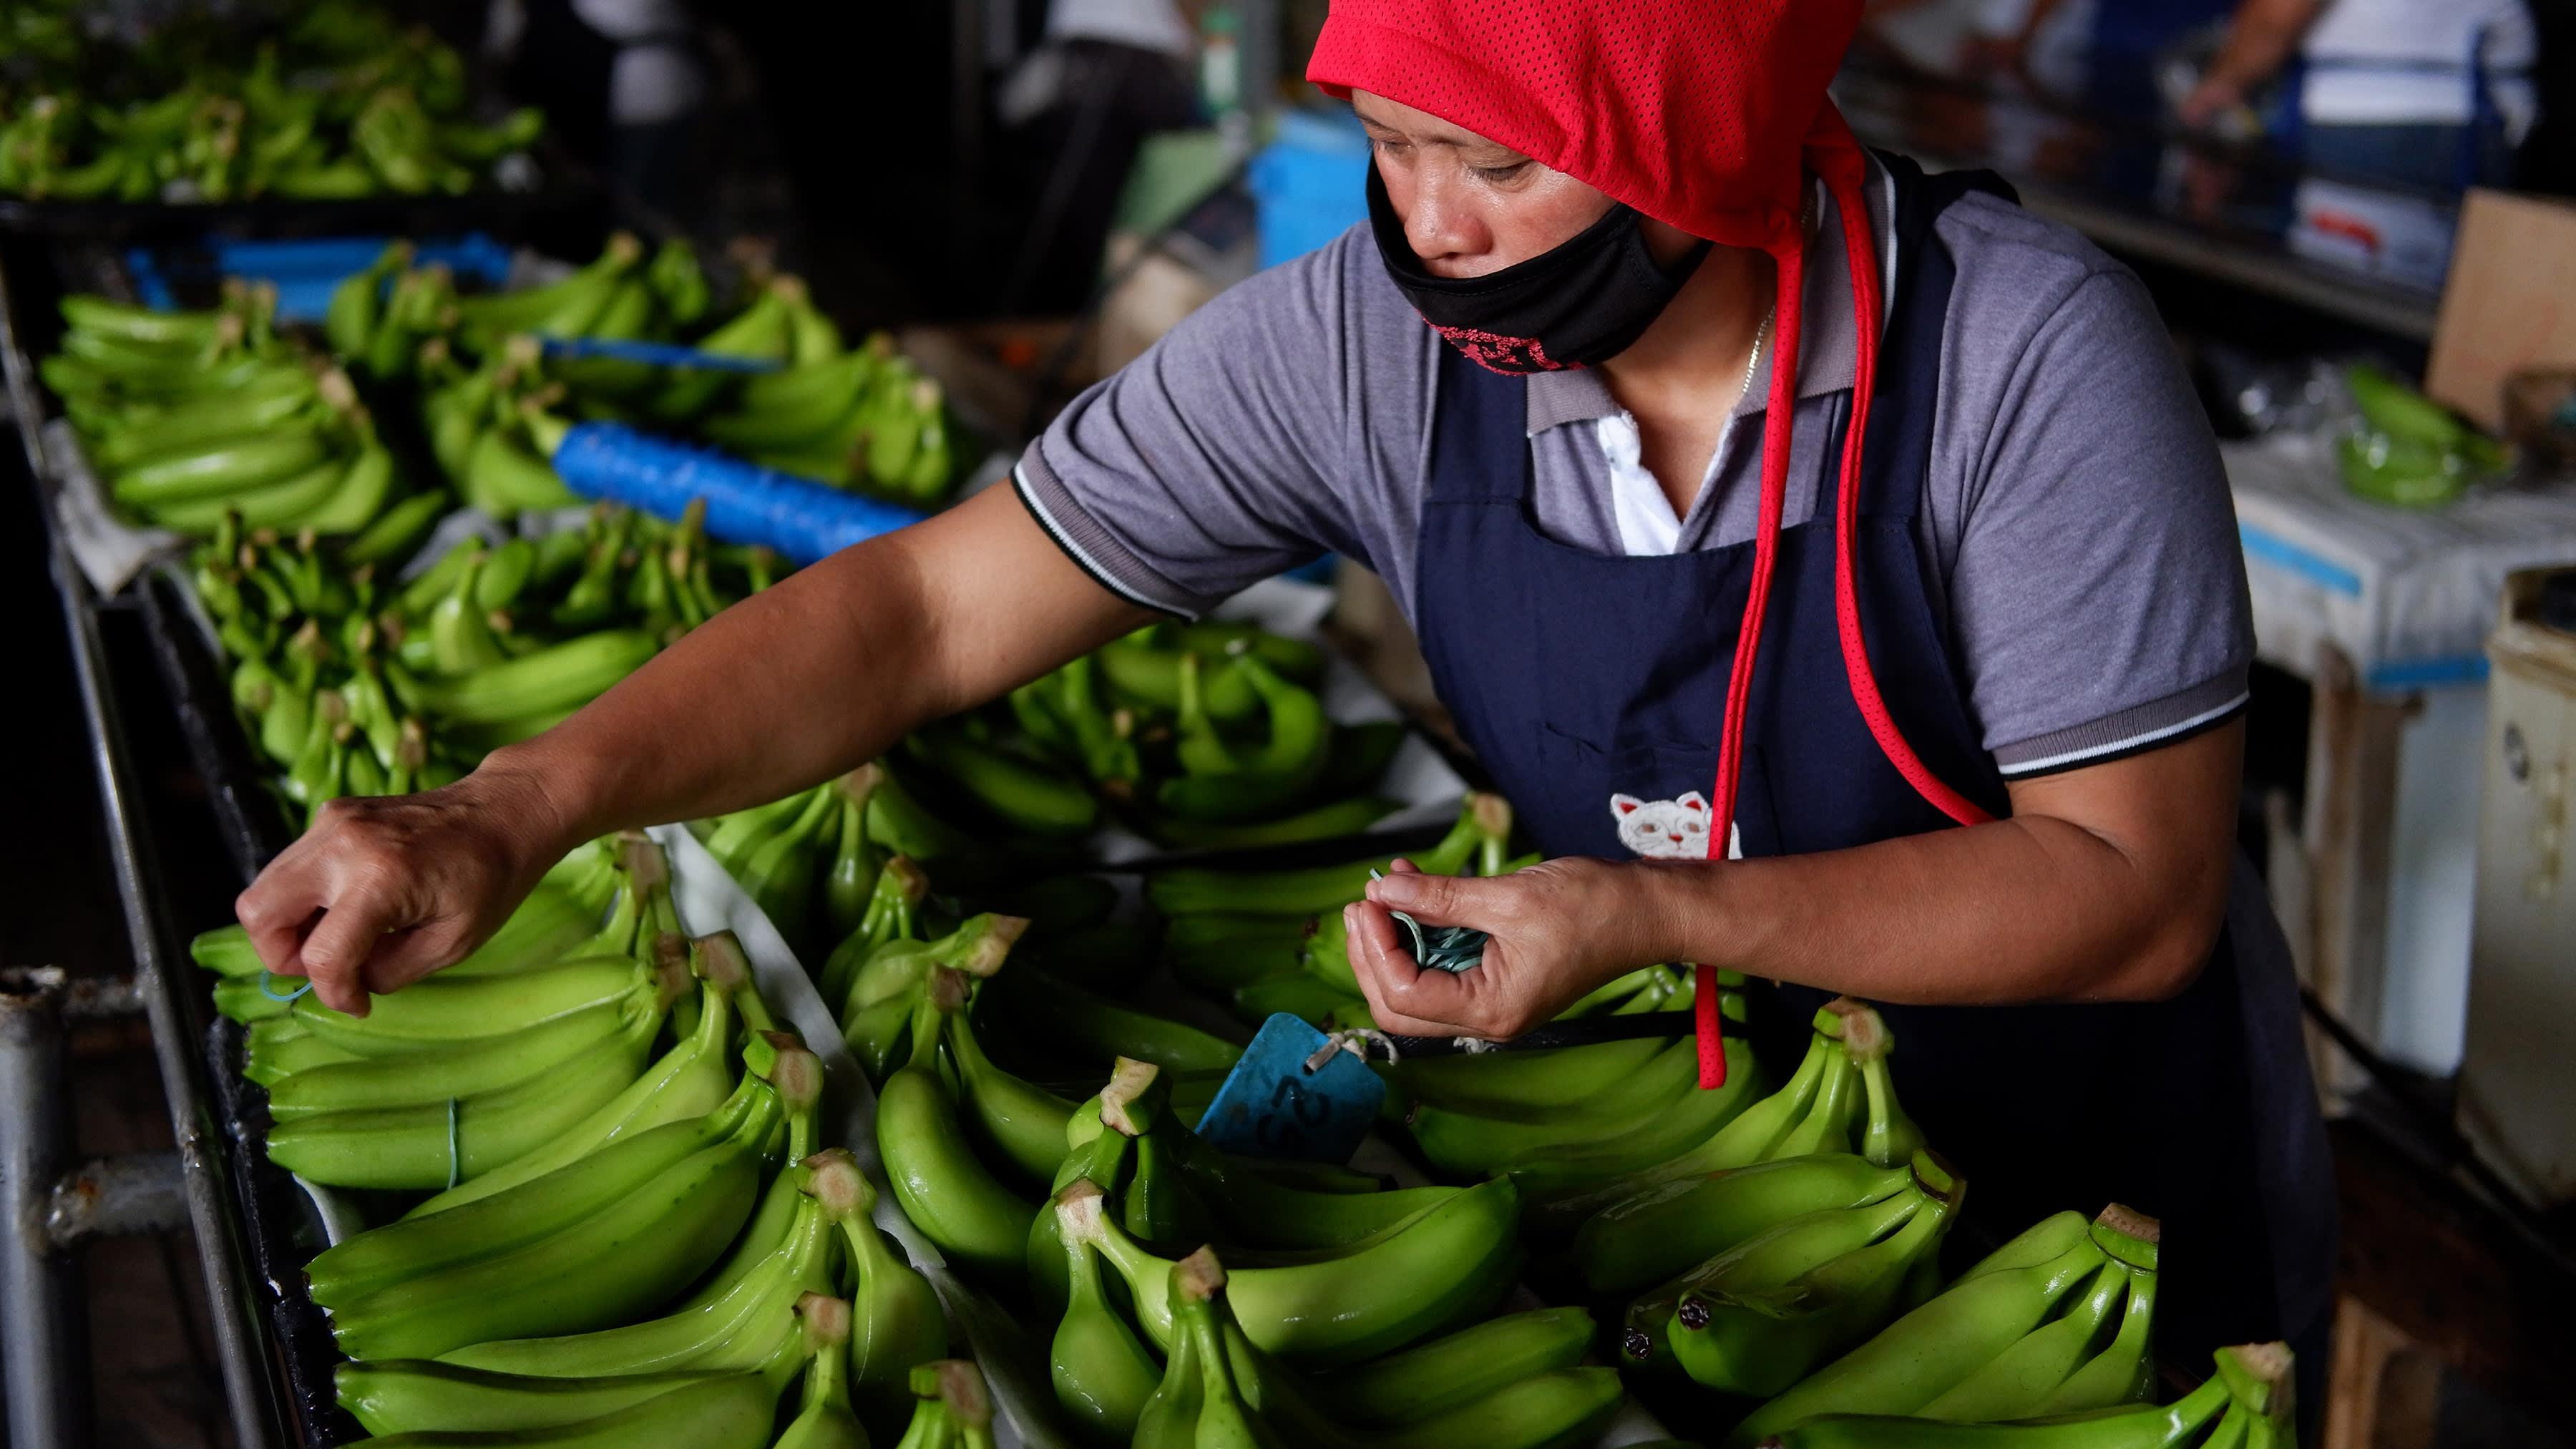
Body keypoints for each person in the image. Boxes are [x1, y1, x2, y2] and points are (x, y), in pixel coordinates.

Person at [238, 0, 2334, 1405]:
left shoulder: (2017, 362)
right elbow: (927, 615)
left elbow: (2125, 886)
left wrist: (1644, 913)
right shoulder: (1367, 348)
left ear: (1698, 127)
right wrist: (520, 805)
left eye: (1495, 166)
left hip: (2073, 1240)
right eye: (1392, 150)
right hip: (1664, 1172)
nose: (1433, 228)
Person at [2178, 0, 2538, 192]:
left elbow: (2275, 18)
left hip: (2379, 128)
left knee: (2351, 296)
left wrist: (2214, 91)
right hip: (2488, 119)